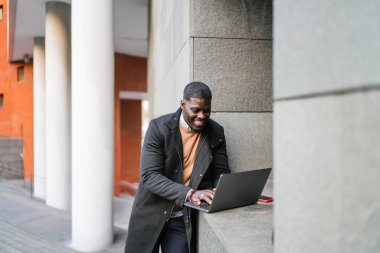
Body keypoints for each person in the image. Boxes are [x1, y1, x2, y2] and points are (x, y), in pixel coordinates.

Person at [124, 82, 230, 253]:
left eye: (206, 110)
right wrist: (191, 193)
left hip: (182, 217)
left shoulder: (216, 132)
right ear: (183, 104)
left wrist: (221, 190)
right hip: (151, 212)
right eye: (196, 110)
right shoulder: (158, 128)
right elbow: (150, 176)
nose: (202, 116)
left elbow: (221, 171)